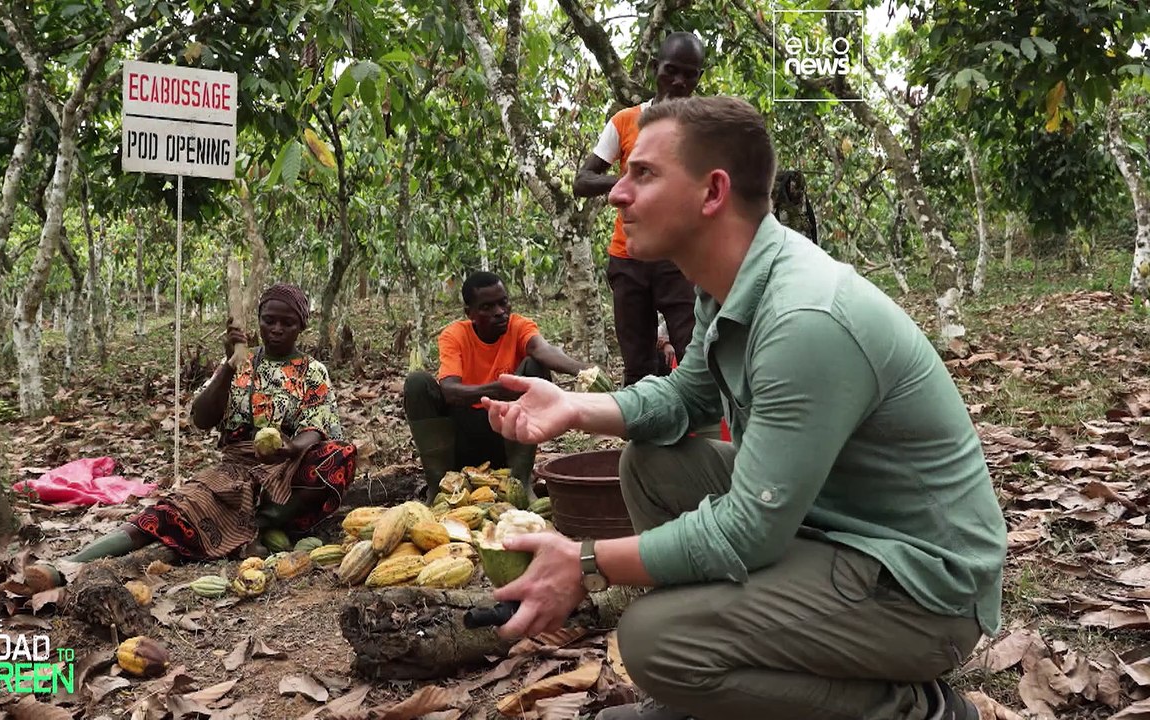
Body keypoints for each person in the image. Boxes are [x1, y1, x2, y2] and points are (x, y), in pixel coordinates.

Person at [479, 97, 1007, 720]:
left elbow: (749, 529)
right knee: (650, 465)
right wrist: (572, 405)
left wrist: (588, 561)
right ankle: (726, 678)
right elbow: (683, 399)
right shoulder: (728, 285)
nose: (617, 193)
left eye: (642, 174)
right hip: (830, 527)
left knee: (652, 639)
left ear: (712, 193)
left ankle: (912, 710)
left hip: (922, 589)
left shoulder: (802, 319)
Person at [27, 283, 357, 588]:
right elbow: (202, 418)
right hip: (236, 468)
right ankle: (66, 565)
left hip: (288, 467)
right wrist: (229, 365)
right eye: (269, 320)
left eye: (287, 322)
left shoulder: (312, 371)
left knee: (338, 456)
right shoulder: (241, 363)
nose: (277, 329)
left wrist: (288, 449)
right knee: (167, 513)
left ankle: (258, 522)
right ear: (259, 321)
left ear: (301, 326)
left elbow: (315, 427)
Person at [573, 32, 705, 387]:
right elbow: (583, 181)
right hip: (628, 256)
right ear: (654, 69)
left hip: (679, 257)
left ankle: (700, 438)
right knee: (637, 365)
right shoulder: (625, 121)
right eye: (671, 70)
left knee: (695, 354)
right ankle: (644, 438)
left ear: (699, 78)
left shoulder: (704, 127)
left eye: (689, 74)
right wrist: (633, 180)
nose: (679, 81)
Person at [404, 271, 594, 502]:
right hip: (461, 436)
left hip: (506, 436)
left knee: (535, 367)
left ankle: (521, 481)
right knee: (417, 383)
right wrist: (498, 389)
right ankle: (439, 487)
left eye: (503, 303)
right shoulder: (455, 335)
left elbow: (542, 350)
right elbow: (450, 390)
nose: (500, 312)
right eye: (487, 307)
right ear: (470, 314)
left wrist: (584, 370)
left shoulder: (519, 326)